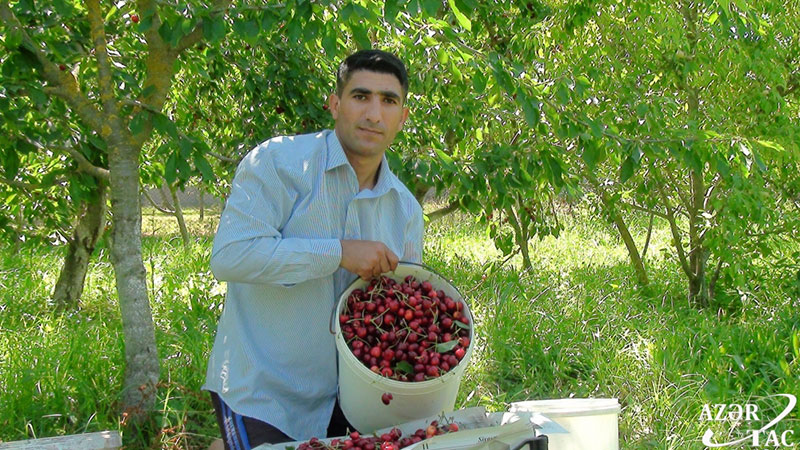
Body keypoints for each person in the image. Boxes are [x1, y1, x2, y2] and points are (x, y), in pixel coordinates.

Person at [204, 49, 424, 449]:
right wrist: (337, 253)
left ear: (403, 117)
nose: (374, 114)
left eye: (389, 101)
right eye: (361, 96)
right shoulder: (276, 163)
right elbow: (231, 257)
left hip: (355, 399)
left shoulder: (405, 210)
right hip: (265, 392)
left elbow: (403, 310)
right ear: (335, 104)